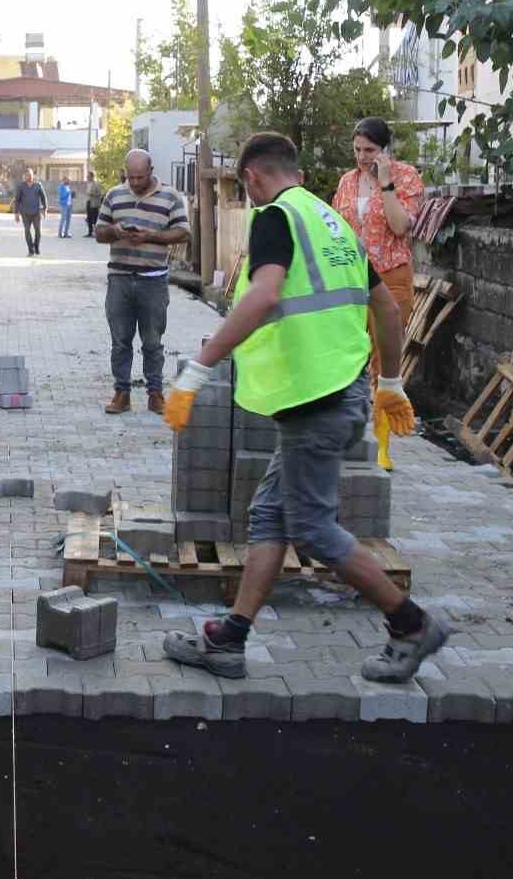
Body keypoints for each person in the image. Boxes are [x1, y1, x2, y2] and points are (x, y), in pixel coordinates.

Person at [160, 132, 446, 682]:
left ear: (251, 179)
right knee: (270, 516)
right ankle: (231, 639)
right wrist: (390, 381)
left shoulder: (275, 218)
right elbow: (385, 308)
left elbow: (264, 295)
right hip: (338, 392)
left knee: (312, 529)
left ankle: (410, 625)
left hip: (316, 402)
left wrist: (199, 369)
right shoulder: (334, 223)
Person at [331, 116, 425, 469]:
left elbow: (400, 226)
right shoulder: (347, 182)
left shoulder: (406, 177)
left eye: (369, 150)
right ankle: (348, 435)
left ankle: (382, 447)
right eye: (357, 149)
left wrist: (385, 183)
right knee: (350, 356)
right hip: (353, 278)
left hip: (391, 277)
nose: (362, 157)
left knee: (384, 363)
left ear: (385, 150)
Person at [94, 149, 190, 414]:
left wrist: (151, 236)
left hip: (153, 280)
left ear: (151, 171)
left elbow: (183, 233)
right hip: (120, 279)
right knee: (120, 341)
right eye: (131, 177)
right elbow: (99, 233)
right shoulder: (114, 195)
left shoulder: (170, 196)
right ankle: (121, 393)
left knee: (152, 341)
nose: (135, 182)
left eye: (140, 177)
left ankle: (155, 394)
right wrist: (114, 231)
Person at [13, 168, 48, 255]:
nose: (28, 176)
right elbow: (17, 200)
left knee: (38, 232)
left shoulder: (38, 185)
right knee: (27, 231)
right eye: (26, 175)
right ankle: (30, 250)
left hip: (36, 212)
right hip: (25, 213)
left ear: (33, 175)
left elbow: (44, 197)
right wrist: (16, 213)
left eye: (29, 175)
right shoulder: (21, 186)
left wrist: (45, 209)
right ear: (24, 176)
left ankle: (36, 246)